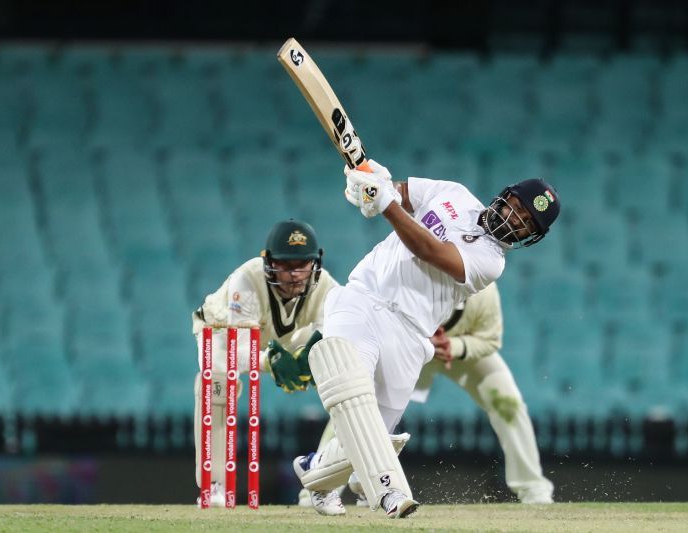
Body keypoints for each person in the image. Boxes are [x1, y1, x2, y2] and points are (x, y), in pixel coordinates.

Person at [291, 159, 560, 519]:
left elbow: (431, 251)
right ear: (505, 196)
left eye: (527, 223)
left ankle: (317, 472)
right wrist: (372, 183)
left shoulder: (491, 262)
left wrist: (383, 202)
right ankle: (389, 490)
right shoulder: (455, 193)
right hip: (364, 299)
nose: (516, 220)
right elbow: (401, 192)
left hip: (411, 334)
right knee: (353, 391)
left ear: (530, 237)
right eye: (518, 209)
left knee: (374, 428)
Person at [298, 283, 554, 508]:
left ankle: (533, 488)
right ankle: (320, 488)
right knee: (355, 399)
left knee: (508, 404)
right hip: (405, 347)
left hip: (456, 349)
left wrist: (453, 346)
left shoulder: (482, 289)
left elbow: (490, 339)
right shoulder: (411, 277)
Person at [191, 219, 340, 510]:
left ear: (315, 262)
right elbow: (241, 351)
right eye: (286, 265)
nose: (295, 275)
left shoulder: (326, 286)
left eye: (302, 265)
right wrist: (273, 363)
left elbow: (336, 336)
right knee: (218, 380)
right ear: (269, 262)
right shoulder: (245, 280)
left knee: (343, 377)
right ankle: (214, 484)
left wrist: (308, 363)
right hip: (221, 333)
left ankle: (322, 484)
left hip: (283, 336)